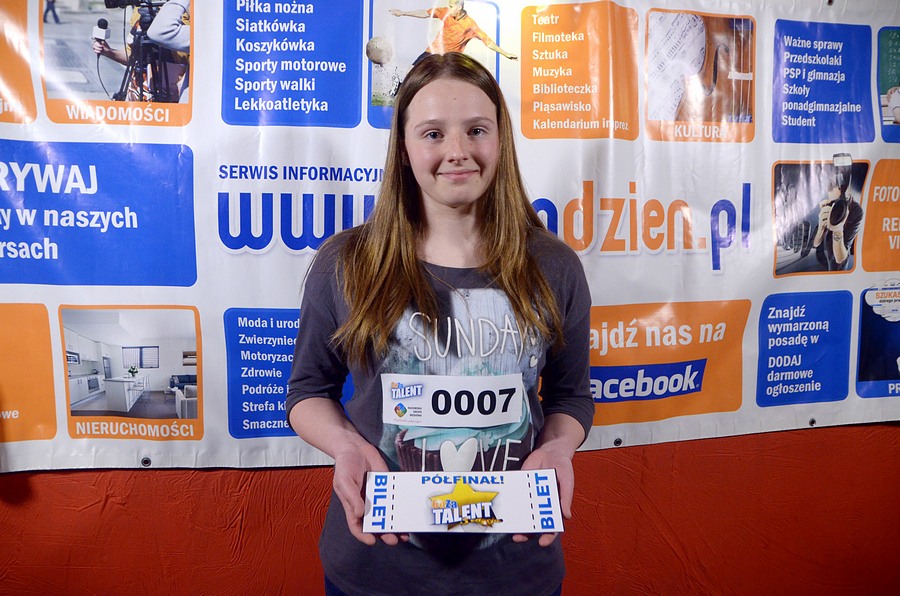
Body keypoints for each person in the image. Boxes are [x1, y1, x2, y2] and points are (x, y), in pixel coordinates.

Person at [286, 53, 592, 596]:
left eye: (477, 130)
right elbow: (308, 391)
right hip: (375, 570)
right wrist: (345, 445)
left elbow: (571, 396)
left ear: (500, 140)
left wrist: (558, 448)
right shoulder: (347, 263)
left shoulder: (554, 267)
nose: (457, 151)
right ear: (404, 149)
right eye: (433, 133)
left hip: (514, 572)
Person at [91, 4, 189, 102]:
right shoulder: (141, 16)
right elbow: (132, 57)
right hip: (138, 99)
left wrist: (184, 87)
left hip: (169, 100)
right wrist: (108, 52)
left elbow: (193, 58)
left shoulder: (180, 15)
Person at [390, 0, 518, 63]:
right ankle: (398, 92)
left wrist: (505, 54)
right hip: (432, 52)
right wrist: (403, 13)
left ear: (459, 7)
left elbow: (488, 42)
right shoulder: (445, 12)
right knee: (410, 71)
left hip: (450, 59)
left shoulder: (469, 25)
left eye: (451, 6)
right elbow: (425, 13)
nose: (449, 8)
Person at [812, 164, 863, 271]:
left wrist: (837, 231)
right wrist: (821, 227)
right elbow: (815, 244)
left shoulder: (856, 211)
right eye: (830, 185)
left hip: (840, 258)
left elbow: (840, 259)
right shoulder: (827, 205)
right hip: (825, 255)